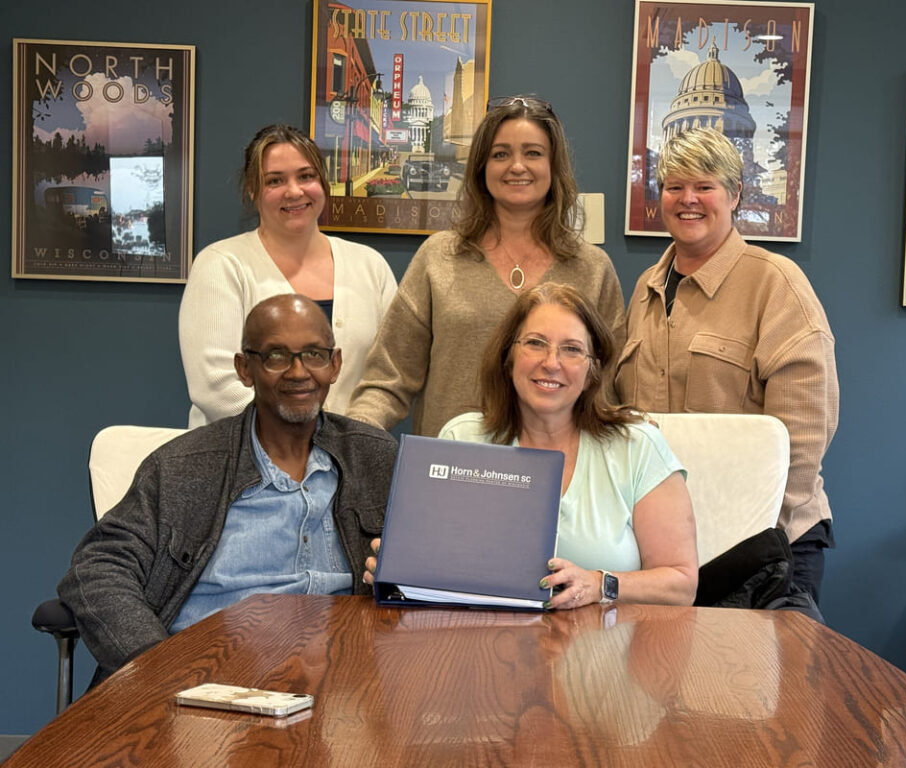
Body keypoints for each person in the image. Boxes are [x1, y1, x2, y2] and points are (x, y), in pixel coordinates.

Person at [59, 295, 396, 680]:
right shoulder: (182, 466)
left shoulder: (375, 458)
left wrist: (403, 582)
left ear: (334, 365)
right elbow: (98, 568)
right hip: (205, 680)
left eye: (314, 355)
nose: (298, 371)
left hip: (342, 679)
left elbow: (431, 574)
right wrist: (155, 666)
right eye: (276, 356)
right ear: (244, 368)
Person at [366, 283, 699, 608]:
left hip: (604, 641)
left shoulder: (637, 446)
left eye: (572, 349)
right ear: (509, 356)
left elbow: (681, 583)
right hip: (482, 639)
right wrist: (398, 568)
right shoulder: (462, 438)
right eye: (536, 343)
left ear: (593, 369)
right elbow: (432, 565)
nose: (551, 362)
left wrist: (599, 584)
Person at [614, 128, 839, 603]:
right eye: (674, 186)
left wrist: (752, 531)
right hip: (667, 548)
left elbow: (802, 436)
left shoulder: (776, 285)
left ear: (735, 195)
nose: (688, 199)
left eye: (705, 186)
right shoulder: (646, 290)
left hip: (766, 546)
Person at [346, 97, 625, 438]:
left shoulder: (593, 269)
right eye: (500, 154)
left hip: (558, 464)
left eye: (533, 153)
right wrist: (352, 438)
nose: (517, 166)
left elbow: (610, 386)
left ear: (554, 166)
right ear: (481, 167)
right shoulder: (438, 258)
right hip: (451, 461)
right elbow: (388, 378)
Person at [179, 124, 396, 428]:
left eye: (306, 176)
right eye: (275, 180)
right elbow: (216, 387)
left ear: (323, 182)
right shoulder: (221, 265)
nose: (294, 191)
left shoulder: (370, 266)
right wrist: (308, 439)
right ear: (253, 190)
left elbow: (388, 373)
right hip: (242, 453)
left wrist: (351, 439)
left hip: (351, 451)